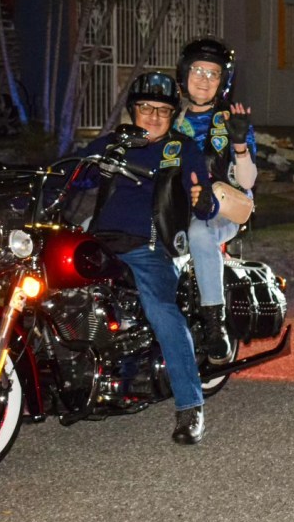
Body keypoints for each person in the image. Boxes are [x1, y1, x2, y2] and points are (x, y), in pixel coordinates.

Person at [78, 72, 206, 445]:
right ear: (133, 110)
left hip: (151, 247)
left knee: (161, 309)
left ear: (172, 116)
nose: (153, 116)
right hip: (100, 243)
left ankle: (191, 405)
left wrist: (202, 197)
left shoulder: (181, 149)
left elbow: (204, 196)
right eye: (146, 107)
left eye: (163, 110)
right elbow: (68, 174)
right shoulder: (112, 145)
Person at [174, 37, 257, 361]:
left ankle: (215, 325)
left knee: (199, 233)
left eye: (213, 73)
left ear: (223, 81)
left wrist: (240, 145)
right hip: (176, 207)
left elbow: (248, 181)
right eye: (198, 70)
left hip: (223, 210)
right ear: (184, 73)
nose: (204, 79)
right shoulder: (170, 118)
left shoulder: (229, 120)